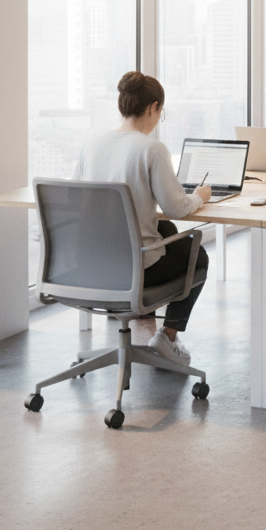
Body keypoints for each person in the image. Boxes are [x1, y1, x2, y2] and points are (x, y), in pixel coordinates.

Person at [75, 71, 211, 366]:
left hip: (89, 265)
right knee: (197, 256)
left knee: (166, 228)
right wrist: (200, 196)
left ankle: (144, 315)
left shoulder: (91, 144)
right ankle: (168, 337)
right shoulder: (152, 149)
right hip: (133, 268)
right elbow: (177, 206)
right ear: (153, 107)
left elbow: (78, 202)